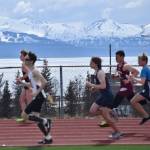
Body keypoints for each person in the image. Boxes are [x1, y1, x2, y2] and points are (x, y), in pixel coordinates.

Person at [17, 51, 52, 144]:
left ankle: (45, 120)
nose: (24, 60)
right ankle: (48, 138)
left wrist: (36, 92)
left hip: (39, 96)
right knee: (36, 119)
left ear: (31, 61)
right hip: (38, 96)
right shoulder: (30, 72)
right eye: (24, 59)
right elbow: (31, 84)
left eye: (26, 59)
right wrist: (22, 83)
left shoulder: (35, 71)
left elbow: (45, 82)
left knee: (24, 115)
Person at [86, 57, 122, 139]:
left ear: (95, 64)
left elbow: (103, 86)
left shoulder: (100, 73)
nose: (89, 64)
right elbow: (101, 86)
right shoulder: (96, 72)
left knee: (105, 116)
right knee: (92, 111)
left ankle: (117, 132)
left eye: (91, 62)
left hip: (107, 96)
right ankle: (111, 112)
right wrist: (94, 89)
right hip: (103, 95)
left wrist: (91, 85)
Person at [130, 53, 150, 125]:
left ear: (144, 61)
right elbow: (144, 81)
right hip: (147, 90)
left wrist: (133, 78)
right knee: (133, 101)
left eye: (139, 60)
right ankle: (146, 116)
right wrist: (135, 81)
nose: (138, 62)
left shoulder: (144, 69)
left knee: (133, 101)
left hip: (148, 91)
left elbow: (142, 82)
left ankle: (146, 116)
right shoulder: (146, 68)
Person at [16, 50, 32, 122]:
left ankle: (28, 118)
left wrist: (20, 79)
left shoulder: (25, 63)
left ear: (24, 56)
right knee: (21, 99)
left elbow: (29, 73)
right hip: (27, 83)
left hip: (30, 84)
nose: (19, 56)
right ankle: (25, 116)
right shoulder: (25, 63)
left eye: (21, 55)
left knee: (29, 102)